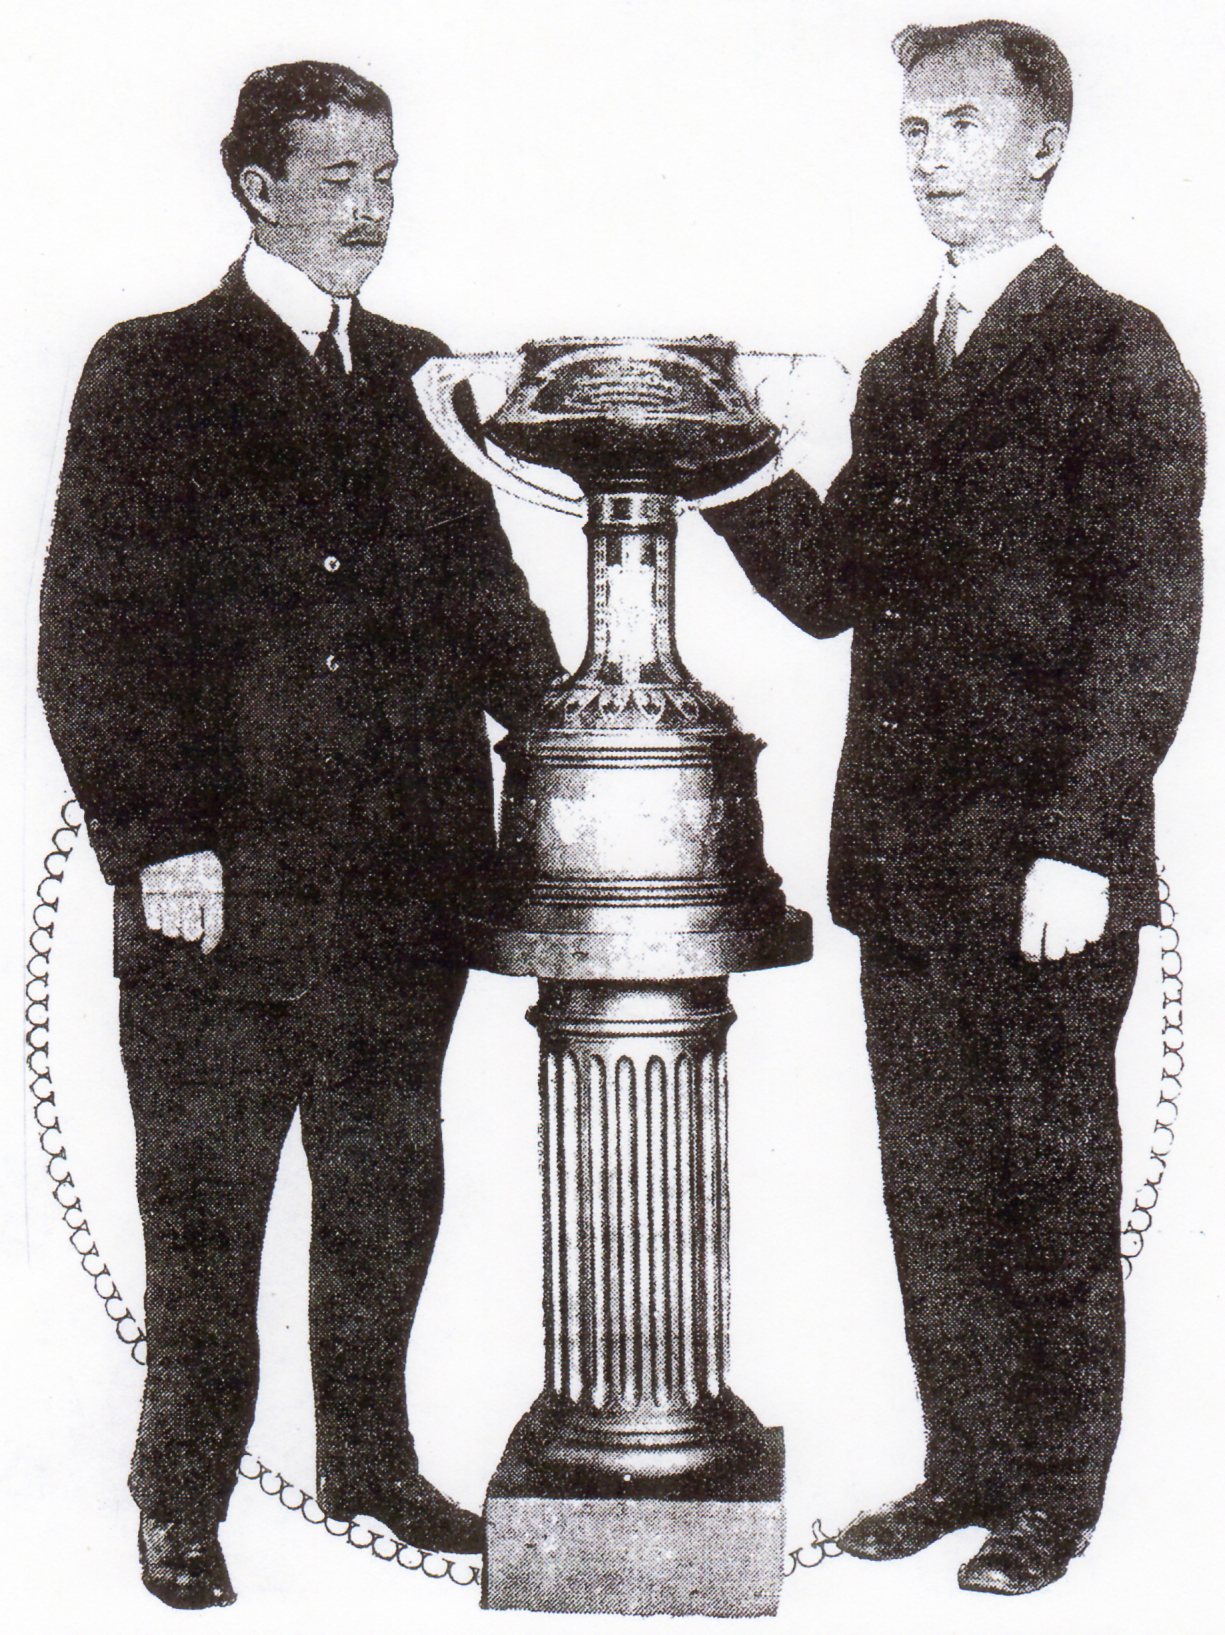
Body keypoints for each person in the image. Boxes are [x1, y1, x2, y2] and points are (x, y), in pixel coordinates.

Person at [39, 60, 560, 1610]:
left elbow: (489, 609)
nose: (372, 210)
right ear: (257, 188)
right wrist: (160, 840)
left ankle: (372, 1462)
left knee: (386, 1187)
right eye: (340, 181)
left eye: (387, 178)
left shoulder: (420, 374)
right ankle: (181, 1495)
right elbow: (90, 628)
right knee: (209, 1210)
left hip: (406, 892)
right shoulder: (151, 368)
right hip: (223, 894)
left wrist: (573, 732)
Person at [704, 19, 1203, 1597]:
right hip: (908, 871)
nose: (923, 154)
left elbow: (1147, 624)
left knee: (1048, 1186)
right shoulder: (907, 365)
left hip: (1043, 871)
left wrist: (1079, 838)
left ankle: (1054, 1502)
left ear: (1042, 142)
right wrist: (717, 461)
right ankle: (963, 1468)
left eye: (958, 125)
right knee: (930, 1188)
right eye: (911, 127)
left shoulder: (1119, 351)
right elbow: (833, 591)